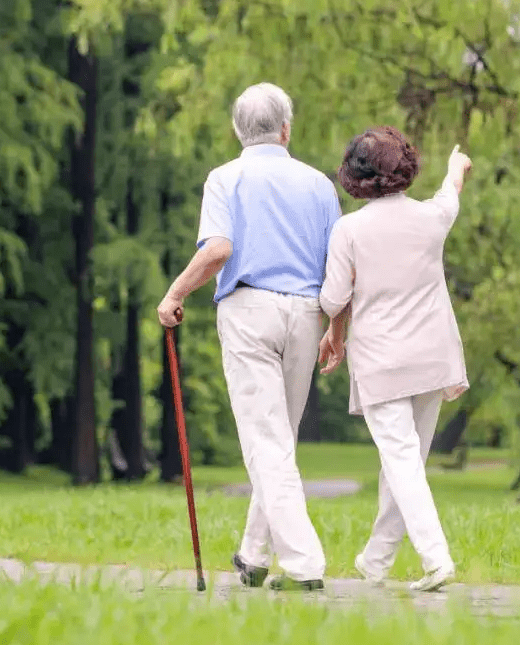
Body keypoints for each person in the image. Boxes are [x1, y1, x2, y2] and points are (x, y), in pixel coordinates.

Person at [157, 82, 341, 592]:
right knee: (279, 440)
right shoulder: (319, 185)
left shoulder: (225, 178)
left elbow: (218, 249)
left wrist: (175, 292)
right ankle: (255, 555)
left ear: (238, 131)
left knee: (267, 442)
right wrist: (336, 330)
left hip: (249, 310)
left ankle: (304, 564)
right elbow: (338, 268)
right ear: (287, 128)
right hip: (307, 315)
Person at [317, 126, 472, 592]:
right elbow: (451, 192)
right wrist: (455, 166)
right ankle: (377, 559)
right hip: (433, 357)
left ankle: (436, 558)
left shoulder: (349, 230)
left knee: (402, 462)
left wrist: (334, 320)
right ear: (404, 167)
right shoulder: (430, 218)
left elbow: (332, 298)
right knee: (406, 463)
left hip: (383, 361)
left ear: (356, 175)